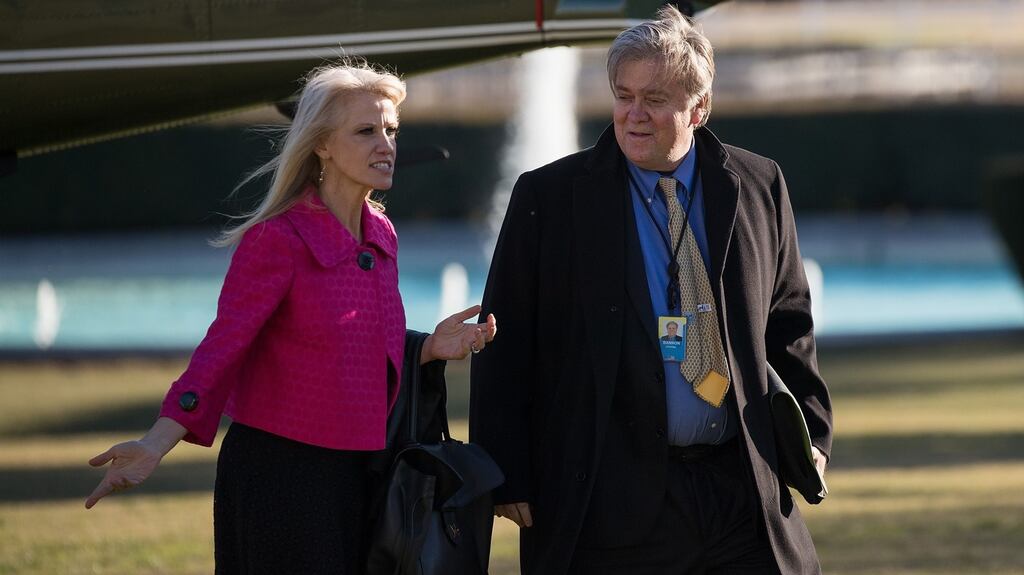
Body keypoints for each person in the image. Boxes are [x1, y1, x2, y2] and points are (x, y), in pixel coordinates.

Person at [85, 61, 497, 574]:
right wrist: (155, 442)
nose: (385, 144)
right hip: (281, 478)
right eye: (366, 131)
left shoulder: (382, 236)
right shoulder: (277, 239)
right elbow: (221, 352)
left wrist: (426, 348)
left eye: (391, 130)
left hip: (365, 473)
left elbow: (351, 340)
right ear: (322, 144)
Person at [470, 6, 832, 575]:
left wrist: (811, 428)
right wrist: (507, 469)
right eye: (624, 96)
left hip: (740, 490)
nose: (635, 115)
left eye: (656, 99)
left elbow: (789, 321)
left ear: (700, 107)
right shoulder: (550, 197)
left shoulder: (760, 183)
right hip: (610, 503)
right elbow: (507, 339)